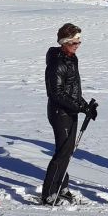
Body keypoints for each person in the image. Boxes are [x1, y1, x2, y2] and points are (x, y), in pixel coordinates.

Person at [40, 23, 97, 205]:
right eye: (73, 42)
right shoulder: (57, 62)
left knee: (67, 151)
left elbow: (72, 90)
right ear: (64, 42)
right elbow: (55, 93)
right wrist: (79, 106)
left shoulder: (72, 58)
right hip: (59, 112)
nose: (77, 45)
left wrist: (85, 105)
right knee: (62, 152)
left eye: (79, 41)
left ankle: (61, 187)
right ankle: (49, 193)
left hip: (70, 110)